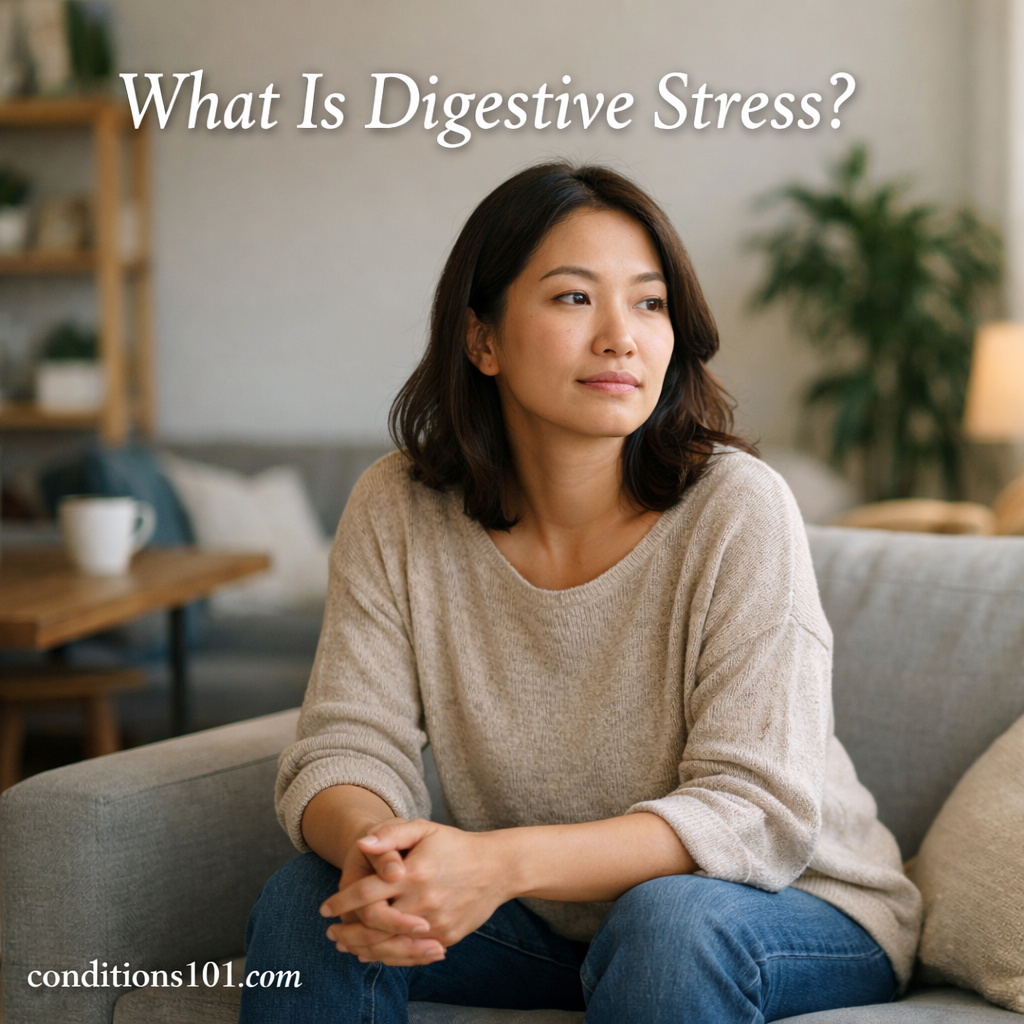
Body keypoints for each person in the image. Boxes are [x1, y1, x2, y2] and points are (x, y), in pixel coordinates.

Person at [240, 162, 921, 1024]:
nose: (620, 337)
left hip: (786, 905)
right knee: (312, 898)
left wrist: (499, 865)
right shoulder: (400, 506)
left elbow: (751, 815)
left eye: (649, 302)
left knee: (667, 922)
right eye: (572, 299)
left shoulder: (737, 508)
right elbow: (347, 743)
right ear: (481, 339)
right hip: (555, 930)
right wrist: (382, 859)